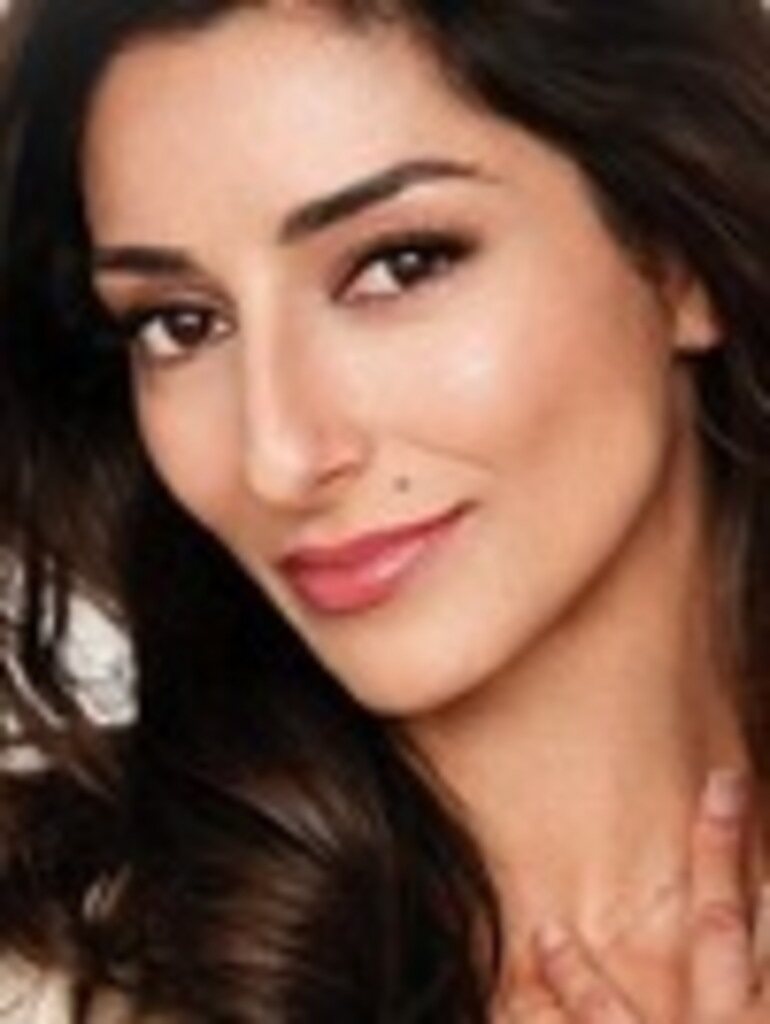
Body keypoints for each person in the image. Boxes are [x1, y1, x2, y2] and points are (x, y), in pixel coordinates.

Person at [0, 0, 769, 1020]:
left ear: (675, 256)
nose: (277, 457)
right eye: (181, 324)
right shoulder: (47, 966)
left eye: (398, 265)